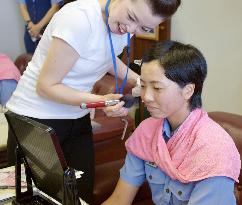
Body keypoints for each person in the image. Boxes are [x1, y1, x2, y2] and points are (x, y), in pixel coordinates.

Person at [7, 0, 181, 203]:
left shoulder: (125, 21)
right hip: (34, 119)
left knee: (80, 195)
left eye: (144, 28)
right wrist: (100, 101)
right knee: (39, 198)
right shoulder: (79, 19)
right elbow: (46, 86)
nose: (131, 29)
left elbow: (105, 55)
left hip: (76, 118)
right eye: (132, 18)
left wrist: (140, 80)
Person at [102, 41, 241, 205]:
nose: (146, 97)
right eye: (144, 86)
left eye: (157, 88)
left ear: (188, 90)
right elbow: (119, 200)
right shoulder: (146, 132)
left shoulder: (214, 151)